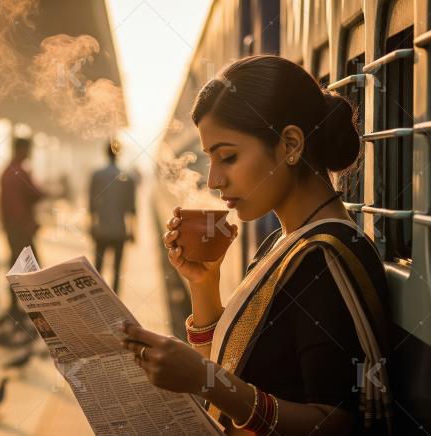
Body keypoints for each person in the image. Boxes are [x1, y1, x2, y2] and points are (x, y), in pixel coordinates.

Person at [120, 56, 394, 435]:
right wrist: (203, 283)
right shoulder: (284, 243)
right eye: (210, 160)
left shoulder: (325, 258)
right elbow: (232, 367)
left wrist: (206, 380)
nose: (214, 180)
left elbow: (338, 424)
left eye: (228, 157)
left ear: (291, 145)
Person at [0, 137, 45, 315]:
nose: (30, 153)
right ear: (21, 149)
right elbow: (36, 194)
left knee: (16, 263)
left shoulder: (5, 172)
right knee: (31, 266)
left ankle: (14, 304)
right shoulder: (21, 172)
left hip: (11, 226)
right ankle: (36, 305)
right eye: (28, 149)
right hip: (22, 227)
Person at [88, 139, 136, 295]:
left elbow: (91, 205)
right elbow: (132, 208)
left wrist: (91, 225)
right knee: (117, 271)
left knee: (98, 269)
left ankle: (97, 301)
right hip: (119, 231)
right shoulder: (127, 177)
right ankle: (115, 302)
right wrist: (133, 230)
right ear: (119, 153)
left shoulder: (97, 175)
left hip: (101, 230)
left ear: (105, 153)